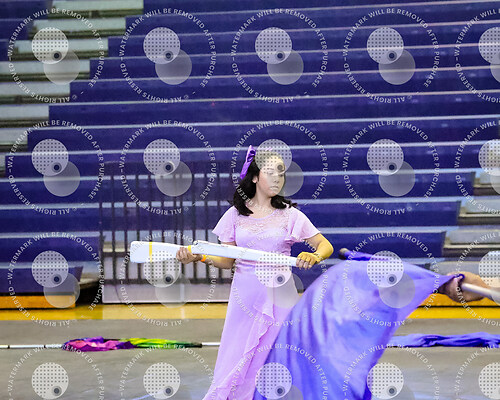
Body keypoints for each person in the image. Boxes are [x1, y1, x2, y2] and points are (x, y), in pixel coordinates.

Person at [176, 145, 333, 399]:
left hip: (280, 296)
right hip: (245, 297)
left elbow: (325, 245)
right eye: (271, 172)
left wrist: (314, 256)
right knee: (237, 357)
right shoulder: (234, 215)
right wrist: (199, 256)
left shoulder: (291, 215)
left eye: (281, 172)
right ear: (255, 177)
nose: (277, 178)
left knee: (280, 357)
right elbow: (226, 261)